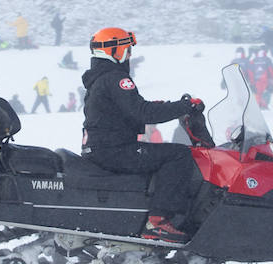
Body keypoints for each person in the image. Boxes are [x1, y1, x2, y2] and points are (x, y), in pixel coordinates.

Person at [81, 27, 203, 243]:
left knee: (163, 153)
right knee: (179, 154)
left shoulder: (100, 79)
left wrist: (169, 106)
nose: (129, 55)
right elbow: (143, 112)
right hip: (115, 150)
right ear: (114, 51)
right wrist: (183, 107)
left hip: (102, 148)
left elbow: (132, 108)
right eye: (127, 50)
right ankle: (158, 221)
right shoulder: (116, 78)